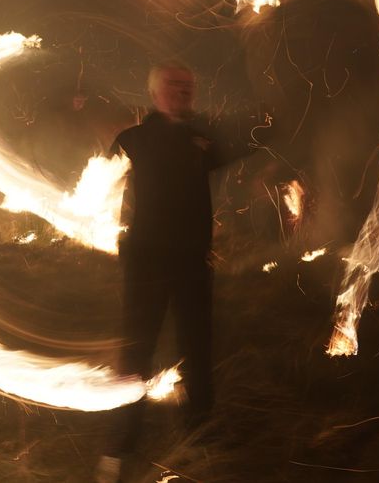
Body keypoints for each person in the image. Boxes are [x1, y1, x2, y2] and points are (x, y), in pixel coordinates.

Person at [96, 62, 265, 481]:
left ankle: (200, 431)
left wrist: (275, 114)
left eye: (189, 86)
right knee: (138, 351)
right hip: (147, 263)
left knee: (197, 347)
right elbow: (101, 183)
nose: (183, 91)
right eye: (174, 85)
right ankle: (121, 444)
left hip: (191, 261)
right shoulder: (133, 140)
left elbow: (249, 141)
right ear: (155, 93)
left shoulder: (202, 138)